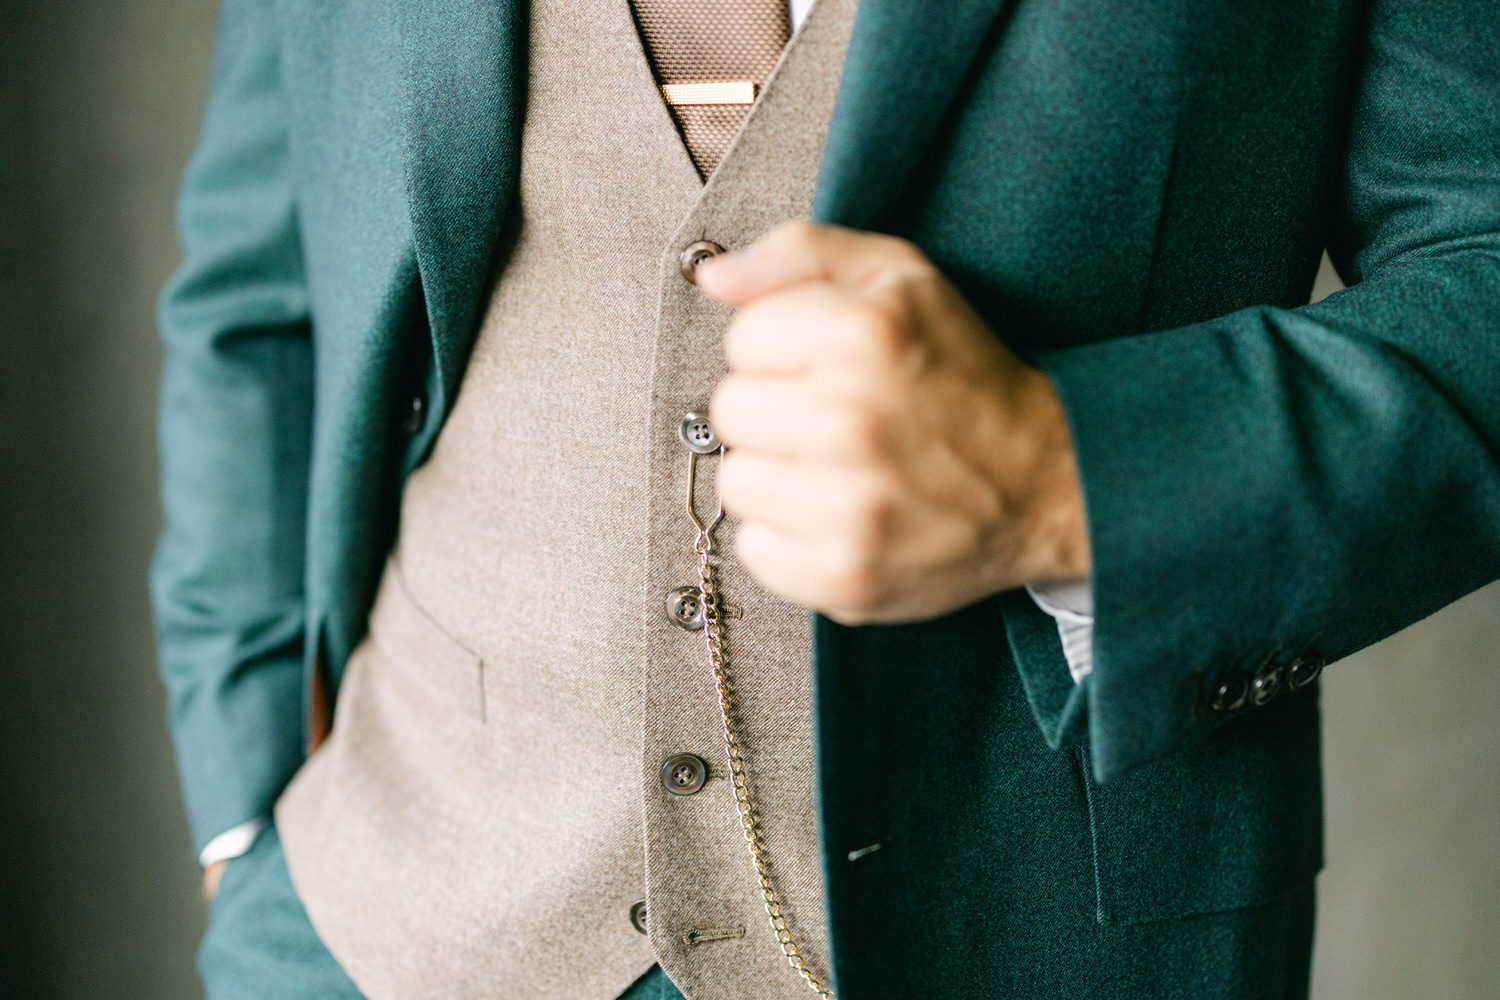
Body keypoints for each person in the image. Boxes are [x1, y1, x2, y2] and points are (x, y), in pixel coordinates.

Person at [150, 0, 1500, 997]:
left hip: (1042, 944)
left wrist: (1061, 474)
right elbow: (260, 288)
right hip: (378, 919)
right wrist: (241, 798)